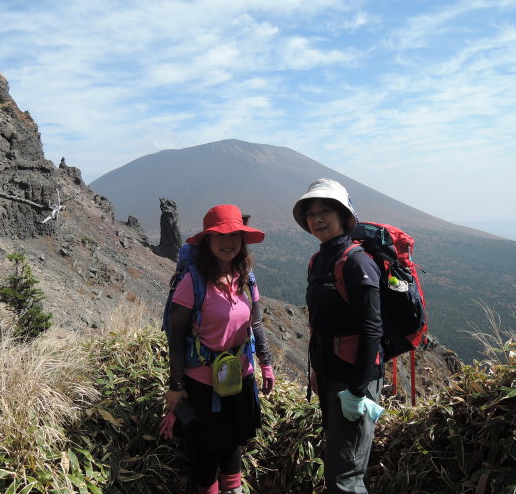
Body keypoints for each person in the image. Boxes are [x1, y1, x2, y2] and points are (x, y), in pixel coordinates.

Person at [159, 204, 275, 494]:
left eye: (235, 235)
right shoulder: (194, 281)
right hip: (202, 382)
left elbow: (256, 324)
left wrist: (266, 363)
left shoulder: (245, 278)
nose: (229, 242)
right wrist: (175, 385)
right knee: (208, 448)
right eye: (220, 235)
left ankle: (232, 489)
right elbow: (176, 334)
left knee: (235, 439)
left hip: (240, 375)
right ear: (207, 241)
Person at [292, 179, 384, 494]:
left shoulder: (357, 261)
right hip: (331, 376)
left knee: (344, 478)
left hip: (354, 381)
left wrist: (358, 391)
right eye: (311, 213)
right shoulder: (320, 260)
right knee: (339, 468)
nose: (317, 218)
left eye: (326, 210)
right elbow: (322, 324)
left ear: (344, 216)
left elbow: (372, 329)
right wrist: (318, 369)